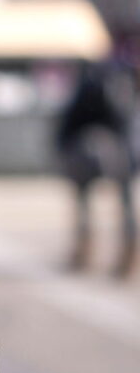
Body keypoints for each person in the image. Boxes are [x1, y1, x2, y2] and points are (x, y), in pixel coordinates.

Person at [55, 61, 137, 278]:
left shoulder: (100, 81)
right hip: (109, 144)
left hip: (108, 145)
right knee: (117, 202)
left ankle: (94, 251)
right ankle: (94, 251)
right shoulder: (104, 81)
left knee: (90, 200)